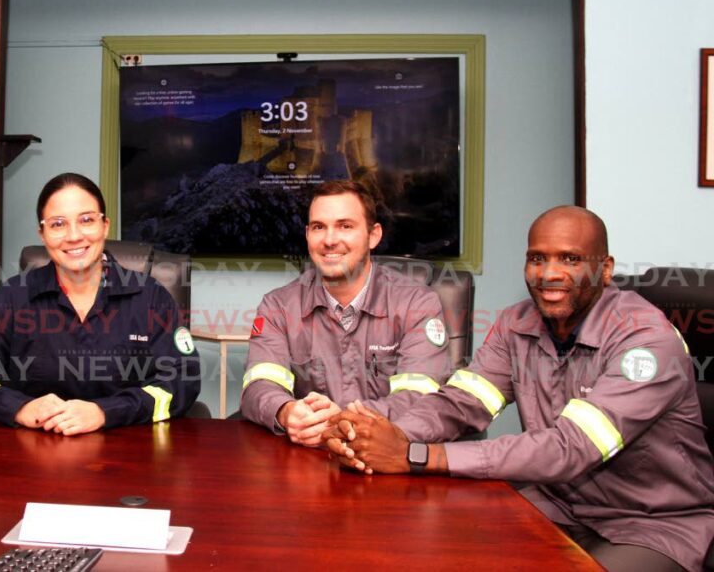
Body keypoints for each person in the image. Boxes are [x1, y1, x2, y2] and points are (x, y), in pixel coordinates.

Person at [323, 206, 714, 572]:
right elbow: (461, 405)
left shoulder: (646, 339)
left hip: (651, 525)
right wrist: (371, 433)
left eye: (570, 259)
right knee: (434, 543)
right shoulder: (516, 323)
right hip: (557, 503)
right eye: (537, 258)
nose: (549, 274)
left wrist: (414, 454)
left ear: (605, 269)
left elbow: (570, 448)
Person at [0, 173, 200, 434]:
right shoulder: (10, 299)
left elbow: (182, 380)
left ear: (105, 225)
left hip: (129, 453)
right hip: (32, 456)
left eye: (87, 220)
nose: (73, 236)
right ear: (43, 234)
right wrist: (19, 408)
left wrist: (106, 412)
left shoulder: (151, 298)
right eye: (58, 224)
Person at [240, 180, 453, 447]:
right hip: (307, 465)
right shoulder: (278, 306)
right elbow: (258, 385)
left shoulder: (416, 304)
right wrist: (286, 411)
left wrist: (343, 419)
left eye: (345, 226)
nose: (330, 240)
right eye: (319, 227)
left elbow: (420, 399)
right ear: (307, 235)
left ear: (373, 235)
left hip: (389, 461)